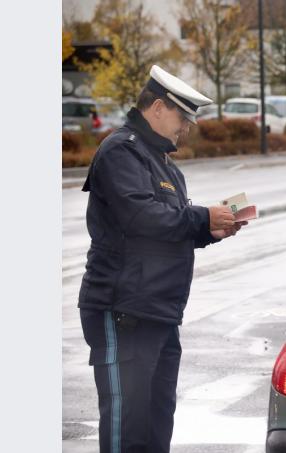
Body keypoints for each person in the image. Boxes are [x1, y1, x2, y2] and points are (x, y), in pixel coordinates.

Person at [78, 65, 246, 453]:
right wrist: (202, 216)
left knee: (156, 419)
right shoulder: (122, 151)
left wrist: (209, 230)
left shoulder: (165, 163)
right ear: (157, 107)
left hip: (159, 312)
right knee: (127, 423)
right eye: (182, 117)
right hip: (123, 308)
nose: (186, 128)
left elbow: (165, 231)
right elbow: (140, 217)